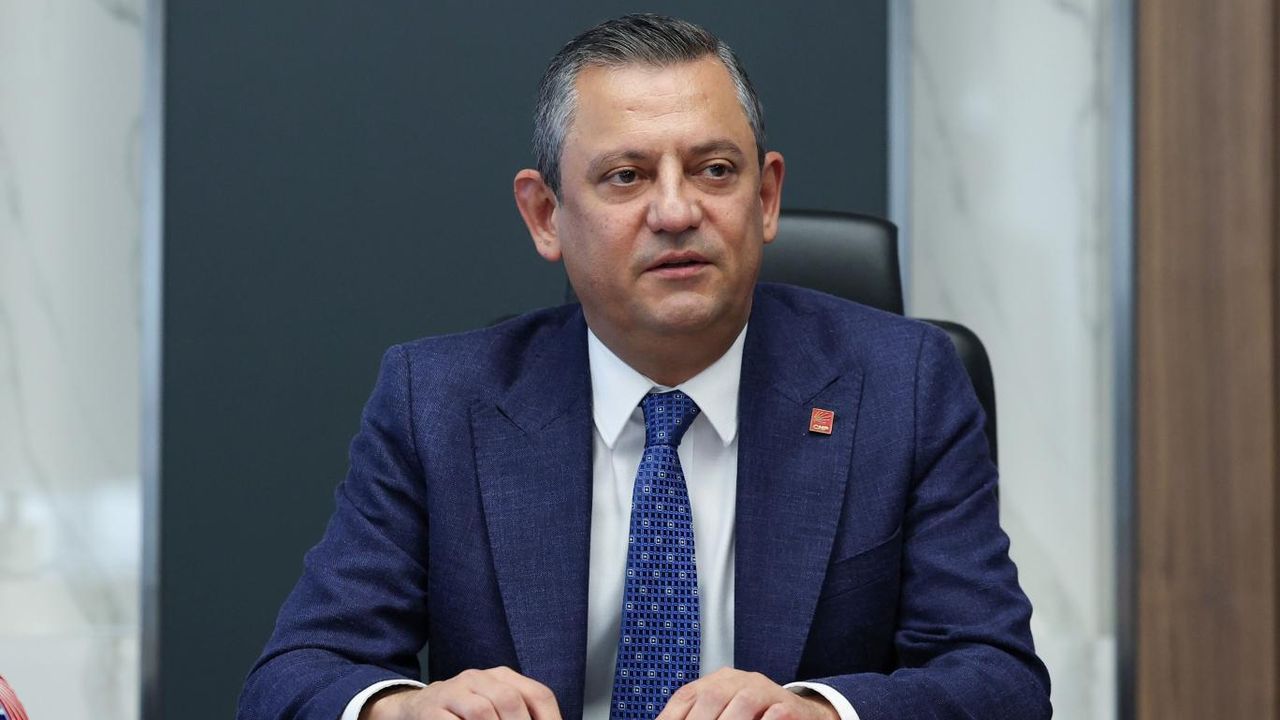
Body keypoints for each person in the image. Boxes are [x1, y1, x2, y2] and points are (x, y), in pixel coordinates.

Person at [238, 14, 1051, 720]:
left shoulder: (904, 386)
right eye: (626, 177)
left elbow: (1001, 680)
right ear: (546, 215)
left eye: (715, 170)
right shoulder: (440, 401)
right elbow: (292, 678)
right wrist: (402, 707)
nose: (675, 210)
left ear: (766, 197)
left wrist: (820, 711)